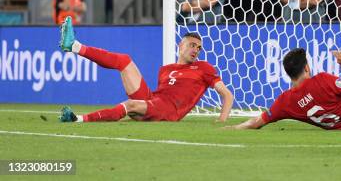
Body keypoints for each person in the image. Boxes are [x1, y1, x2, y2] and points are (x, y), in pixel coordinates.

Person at [59, 18, 234, 123]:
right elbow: (160, 96)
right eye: (192, 45)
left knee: (130, 104)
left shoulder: (203, 67)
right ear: (181, 45)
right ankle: (74, 46)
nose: (196, 50)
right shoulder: (166, 69)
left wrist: (221, 120)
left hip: (168, 111)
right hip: (154, 101)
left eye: (199, 48)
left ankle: (78, 119)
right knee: (124, 61)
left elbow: (227, 94)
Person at [228, 48, 341, 130]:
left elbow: (257, 122)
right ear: (307, 67)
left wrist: (233, 128)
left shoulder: (284, 102)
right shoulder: (322, 80)